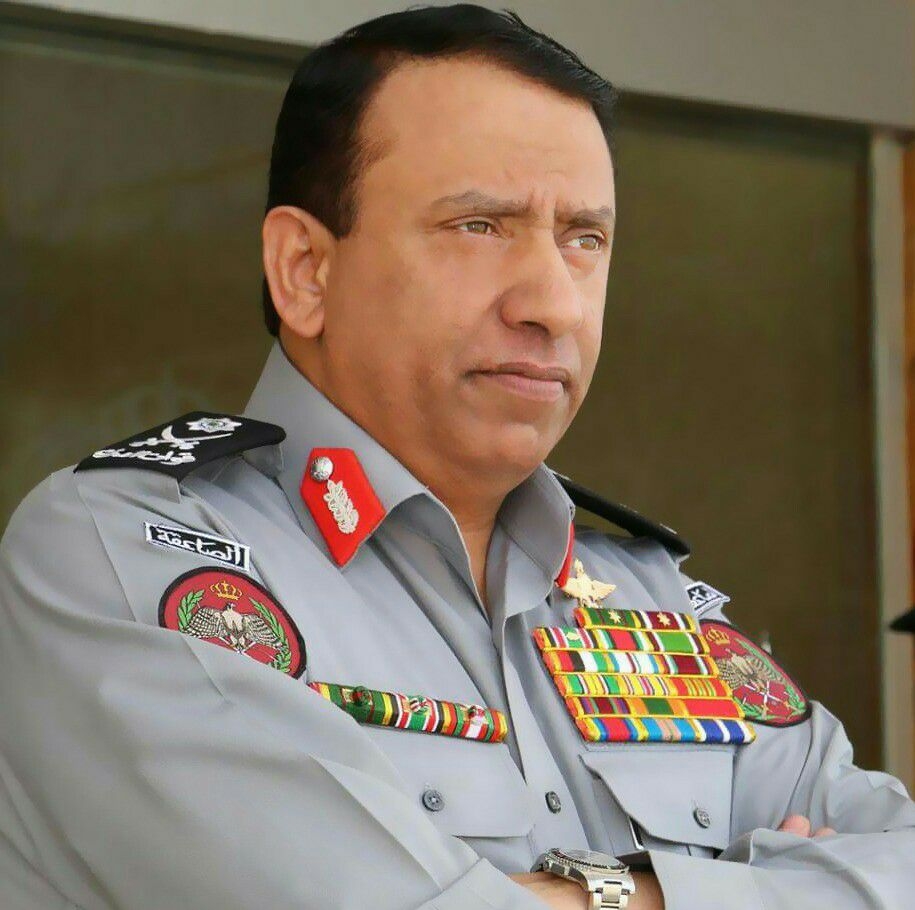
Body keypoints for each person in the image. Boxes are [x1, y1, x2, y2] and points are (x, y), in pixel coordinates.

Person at [0, 4, 912, 909]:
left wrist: (600, 896)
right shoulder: (116, 554)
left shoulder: (646, 594)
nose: (553, 303)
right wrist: (746, 888)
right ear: (305, 269)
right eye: (479, 225)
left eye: (584, 238)